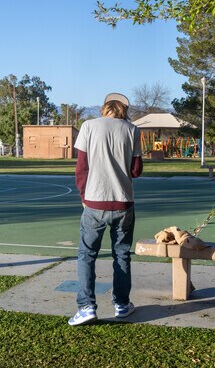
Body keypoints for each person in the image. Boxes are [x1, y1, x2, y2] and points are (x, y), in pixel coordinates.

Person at [68, 92, 143, 326]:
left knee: (87, 254)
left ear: (104, 108)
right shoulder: (132, 130)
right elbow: (136, 170)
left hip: (94, 201)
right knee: (121, 254)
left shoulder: (88, 126)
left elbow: (82, 167)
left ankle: (87, 306)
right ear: (124, 110)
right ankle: (122, 304)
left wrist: (84, 195)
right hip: (123, 202)